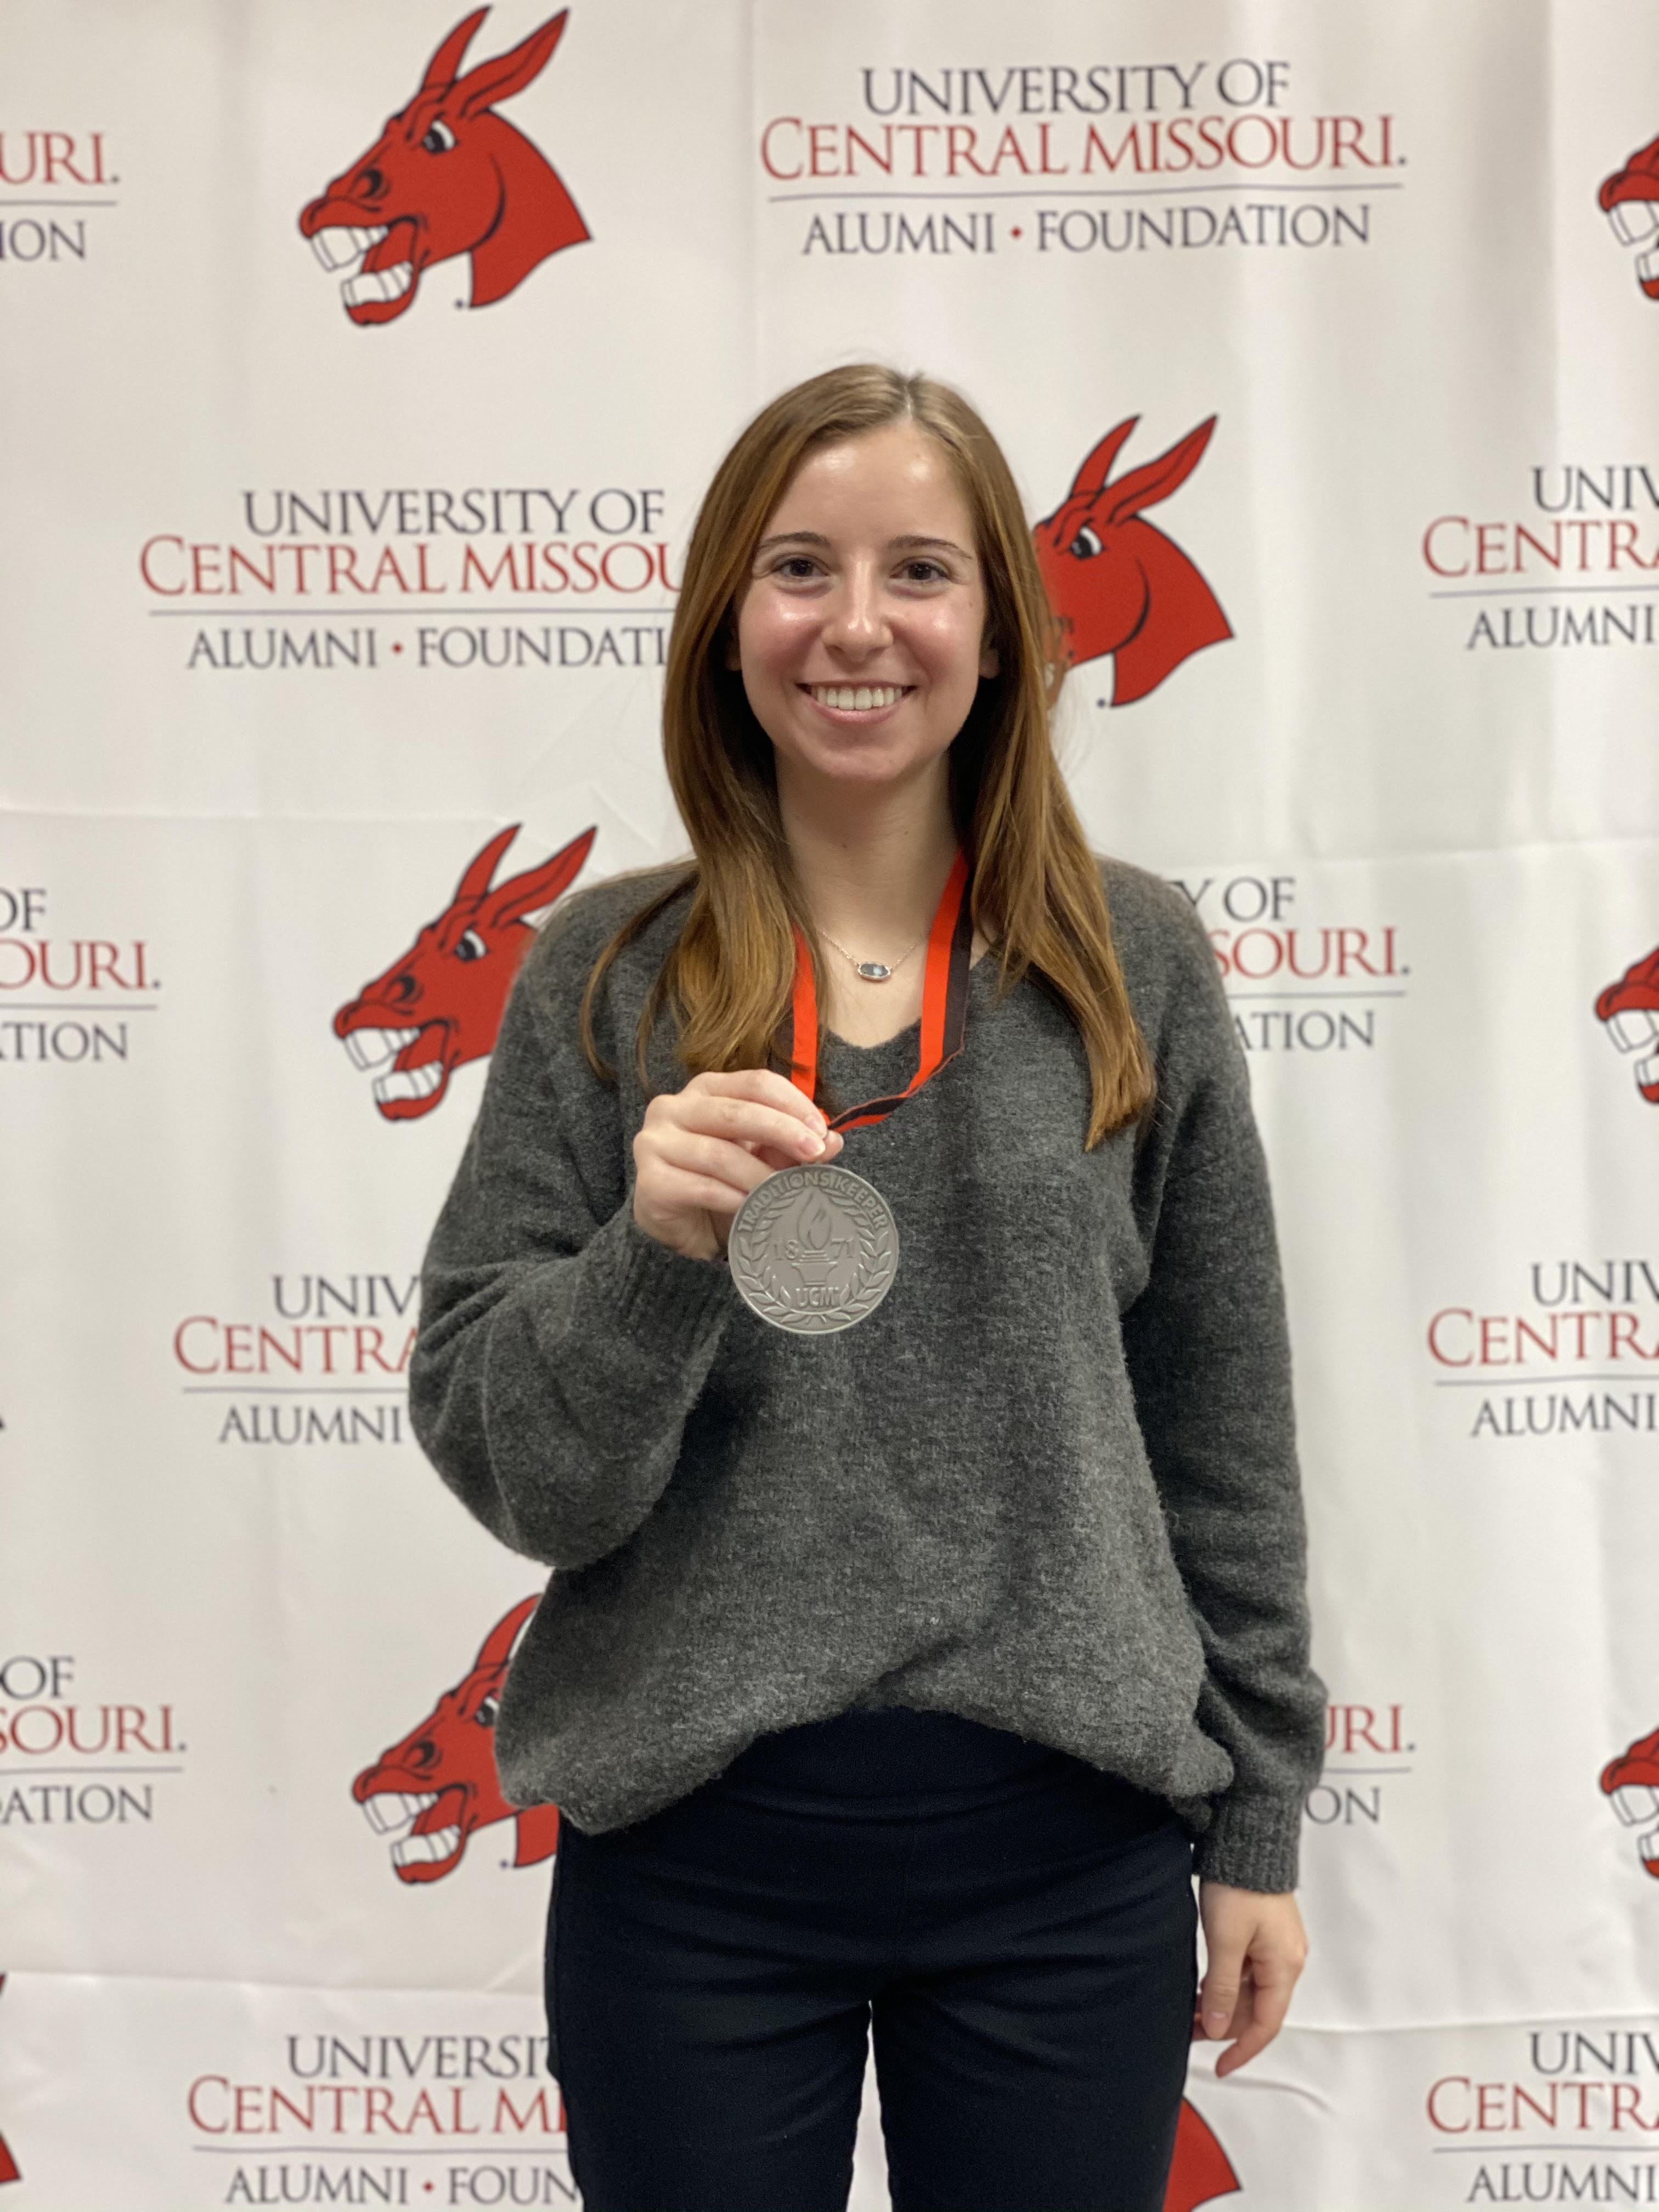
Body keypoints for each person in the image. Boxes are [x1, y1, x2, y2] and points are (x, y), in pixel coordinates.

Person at [409, 364, 1325, 2212]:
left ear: (997, 631)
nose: (856, 626)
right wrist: (646, 1267)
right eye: (797, 568)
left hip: (1071, 1856)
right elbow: (520, 1472)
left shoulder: (1133, 960)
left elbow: (1219, 1434)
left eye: (920, 570)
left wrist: (1260, 1818)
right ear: (724, 624)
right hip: (695, 1860)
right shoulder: (605, 971)